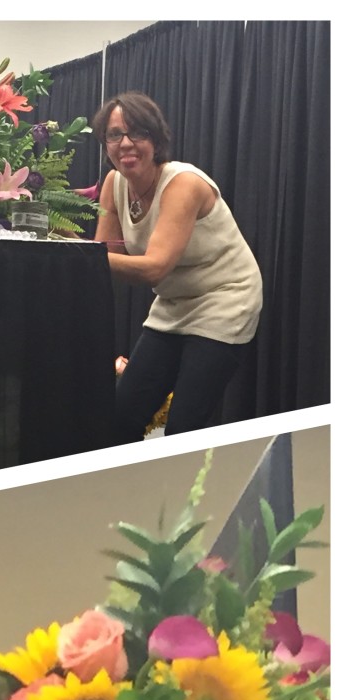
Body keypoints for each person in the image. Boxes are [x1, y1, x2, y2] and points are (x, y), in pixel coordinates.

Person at [92, 92, 263, 442]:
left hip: (225, 299)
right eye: (114, 135)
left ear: (155, 139)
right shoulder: (114, 184)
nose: (125, 143)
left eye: (137, 132)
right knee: (120, 418)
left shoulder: (184, 183)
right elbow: (103, 254)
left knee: (185, 428)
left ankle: (187, 496)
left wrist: (76, 256)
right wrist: (61, 242)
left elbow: (153, 268)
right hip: (173, 304)